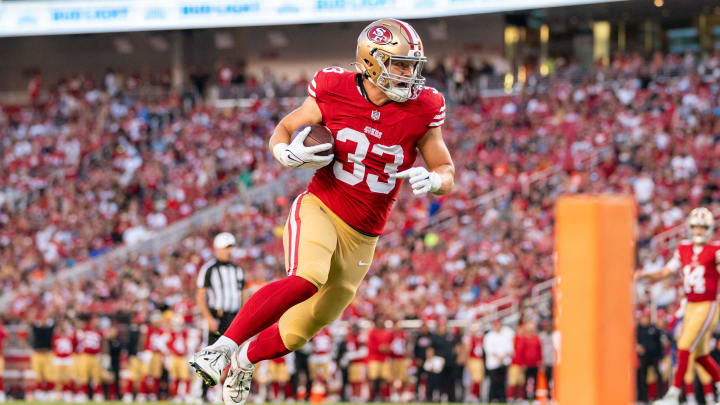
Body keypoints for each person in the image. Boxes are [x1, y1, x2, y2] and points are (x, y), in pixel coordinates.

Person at [189, 18, 454, 405]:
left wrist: (435, 181)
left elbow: (446, 170)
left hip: (365, 234)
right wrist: (285, 153)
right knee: (307, 277)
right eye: (398, 64)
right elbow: (283, 129)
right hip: (322, 207)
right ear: (371, 61)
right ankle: (222, 348)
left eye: (410, 65)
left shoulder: (424, 105)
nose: (407, 74)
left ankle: (244, 361)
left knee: (301, 330)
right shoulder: (334, 87)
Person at [636, 208, 720, 405]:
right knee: (699, 355)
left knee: (684, 346)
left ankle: (673, 394)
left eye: (702, 227)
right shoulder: (683, 248)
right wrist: (645, 275)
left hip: (707, 304)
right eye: (695, 227)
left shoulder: (715, 249)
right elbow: (665, 272)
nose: (698, 231)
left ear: (709, 229)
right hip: (690, 305)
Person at [194, 232, 246, 402]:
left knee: (235, 357)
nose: (229, 251)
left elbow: (242, 294)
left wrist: (243, 316)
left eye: (231, 247)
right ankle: (203, 394)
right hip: (217, 315)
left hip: (234, 316)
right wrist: (209, 318)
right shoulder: (209, 269)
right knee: (211, 356)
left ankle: (230, 393)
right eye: (226, 247)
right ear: (217, 249)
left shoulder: (237, 269)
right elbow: (200, 296)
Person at [483, 320, 514, 403]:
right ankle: (492, 398)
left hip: (504, 362)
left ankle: (502, 399)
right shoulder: (489, 336)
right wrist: (498, 358)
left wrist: (503, 357)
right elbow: (489, 349)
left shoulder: (505, 335)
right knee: (494, 382)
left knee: (502, 382)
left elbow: (510, 348)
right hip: (493, 363)